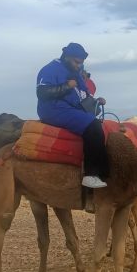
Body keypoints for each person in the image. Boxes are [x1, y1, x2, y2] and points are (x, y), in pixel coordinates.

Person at [36, 43, 109, 189]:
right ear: (66, 57)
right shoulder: (49, 69)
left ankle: (105, 171)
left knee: (102, 126)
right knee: (93, 126)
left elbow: (82, 93)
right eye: (76, 62)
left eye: (81, 63)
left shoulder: (76, 70)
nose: (79, 66)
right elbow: (42, 93)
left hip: (72, 108)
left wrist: (95, 102)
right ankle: (90, 175)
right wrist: (66, 86)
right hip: (54, 109)